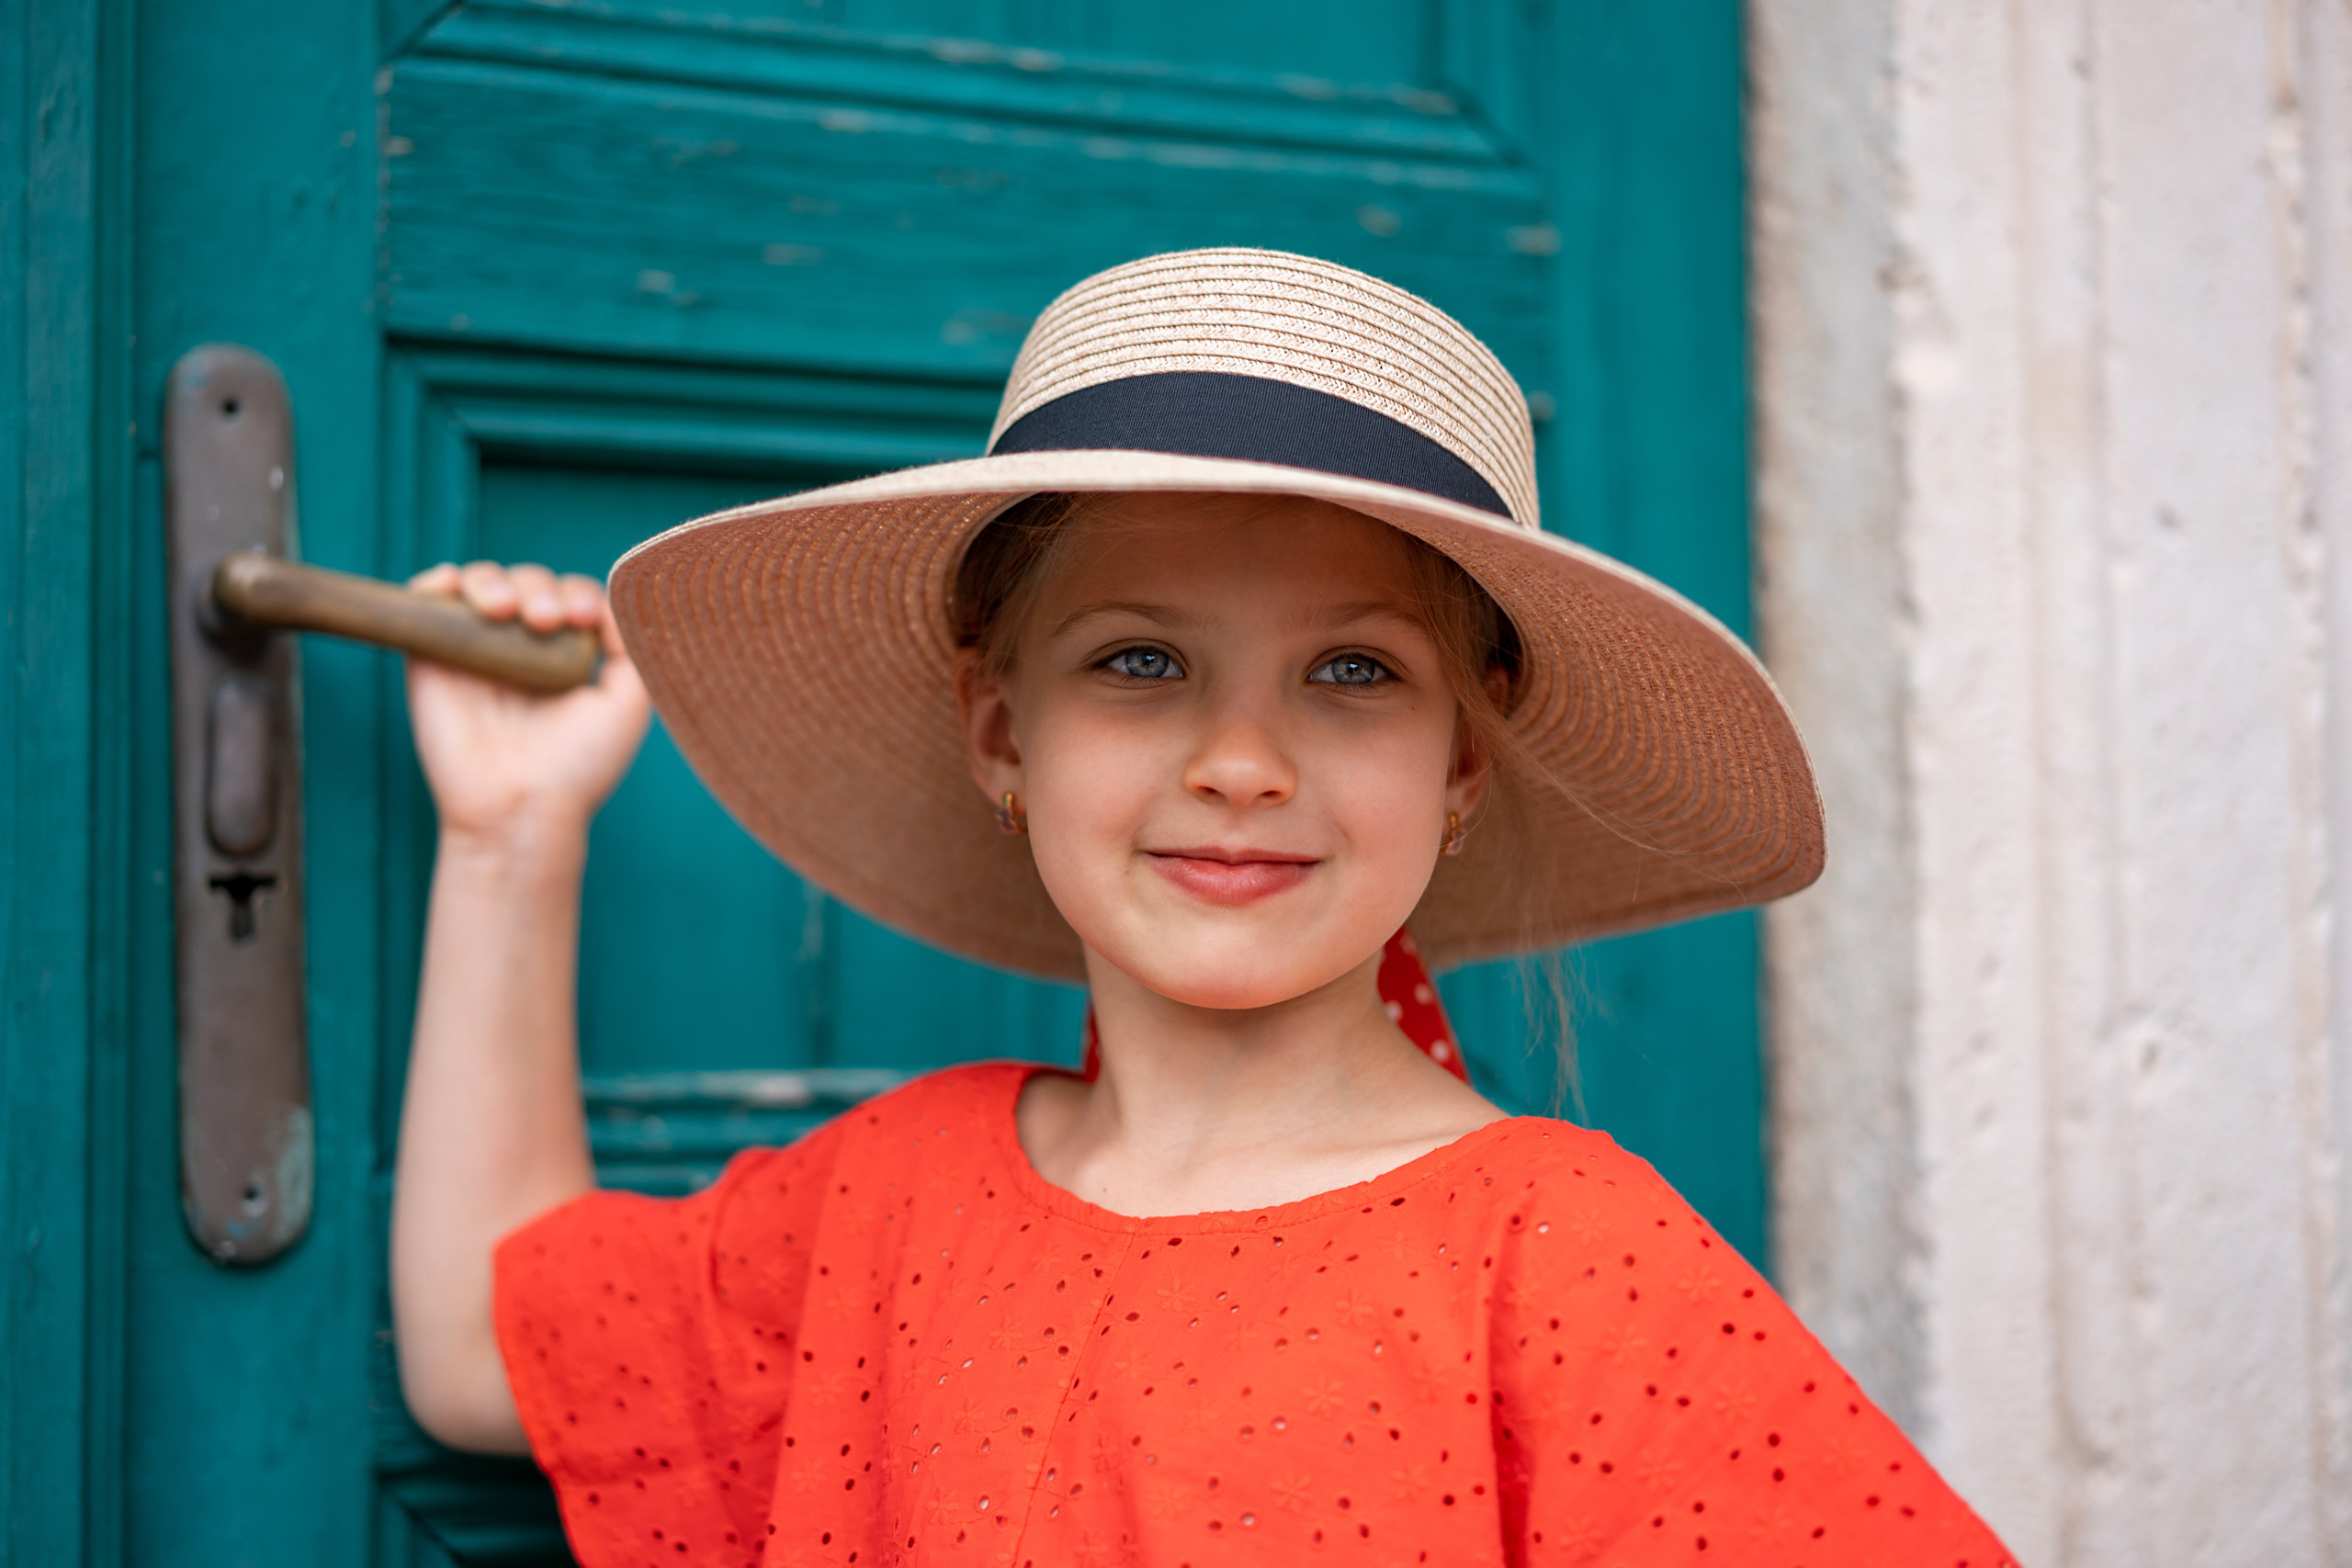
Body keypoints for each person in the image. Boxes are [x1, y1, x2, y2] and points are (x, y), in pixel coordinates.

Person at [391, 249, 2013, 1566]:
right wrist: (512, 839)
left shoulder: (1562, 1260)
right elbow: (484, 1348)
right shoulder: (884, 1206)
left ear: (1462, 764)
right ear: (1002, 727)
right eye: (1141, 662)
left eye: (1356, 671)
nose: (1242, 761)